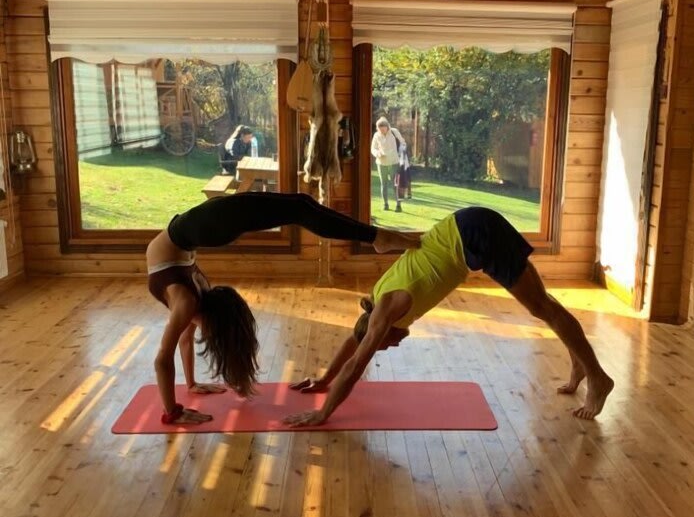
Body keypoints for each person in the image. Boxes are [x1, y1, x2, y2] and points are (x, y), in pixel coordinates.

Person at [285, 206, 614, 428]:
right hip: (468, 227)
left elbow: (357, 363)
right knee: (543, 304)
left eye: (384, 345)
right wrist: (324, 381)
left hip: (474, 235)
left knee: (541, 306)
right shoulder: (375, 302)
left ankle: (598, 378)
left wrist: (323, 413)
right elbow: (354, 341)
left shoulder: (388, 310)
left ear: (380, 331)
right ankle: (580, 363)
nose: (391, 346)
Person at [146, 192, 420, 425]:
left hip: (196, 231)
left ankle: (376, 237)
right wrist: (189, 386)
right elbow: (183, 339)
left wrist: (173, 411)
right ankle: (375, 236)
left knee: (300, 207)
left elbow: (164, 357)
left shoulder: (188, 303)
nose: (206, 336)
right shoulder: (195, 301)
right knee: (300, 205)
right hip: (192, 232)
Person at [371, 117, 405, 213]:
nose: (381, 131)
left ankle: (398, 205)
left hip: (394, 162)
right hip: (381, 163)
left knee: (396, 184)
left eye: (383, 129)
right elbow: (373, 148)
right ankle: (385, 204)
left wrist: (401, 154)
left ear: (387, 127)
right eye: (380, 129)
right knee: (384, 184)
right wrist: (377, 153)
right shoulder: (376, 135)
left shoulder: (394, 132)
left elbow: (403, 143)